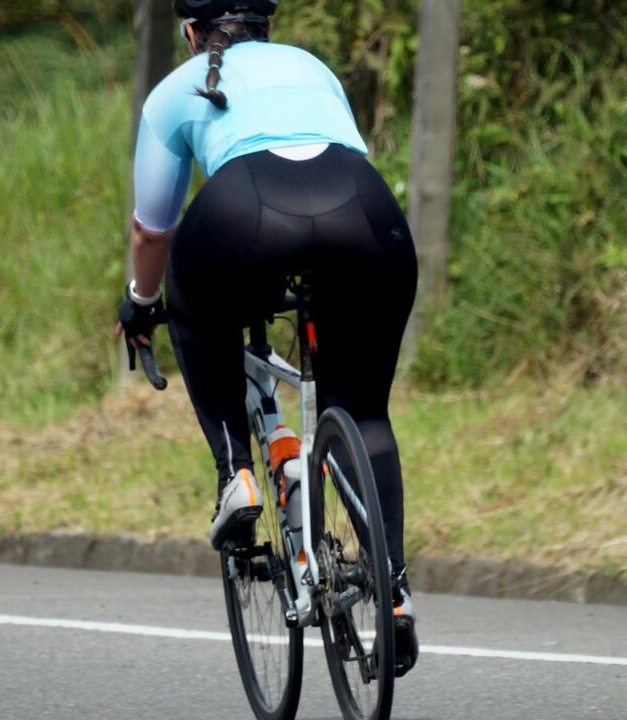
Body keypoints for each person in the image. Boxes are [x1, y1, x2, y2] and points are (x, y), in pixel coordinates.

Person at [115, 0, 419, 676]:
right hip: (364, 213)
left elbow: (151, 233)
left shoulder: (174, 92)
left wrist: (141, 304)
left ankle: (237, 475)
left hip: (242, 216)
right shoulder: (312, 68)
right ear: (268, 28)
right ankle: (392, 593)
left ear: (191, 33)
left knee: (194, 315)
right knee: (363, 408)